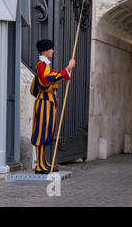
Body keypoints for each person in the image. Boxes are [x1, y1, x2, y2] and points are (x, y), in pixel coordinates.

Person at [30, 39, 76, 174]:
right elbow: (47, 81)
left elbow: (50, 79)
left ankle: (43, 162)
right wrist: (68, 68)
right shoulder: (41, 65)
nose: (53, 51)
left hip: (49, 103)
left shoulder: (46, 66)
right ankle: (39, 165)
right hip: (44, 103)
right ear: (45, 50)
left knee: (47, 133)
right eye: (51, 48)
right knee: (41, 133)